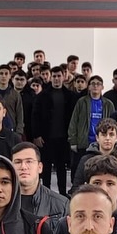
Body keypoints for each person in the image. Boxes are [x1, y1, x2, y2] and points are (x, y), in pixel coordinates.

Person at [29, 64, 77, 194]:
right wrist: (36, 135)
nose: (56, 78)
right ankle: (46, 192)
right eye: (54, 76)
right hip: (46, 138)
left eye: (59, 76)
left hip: (64, 138)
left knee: (61, 167)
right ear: (50, 77)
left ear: (63, 77)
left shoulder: (70, 96)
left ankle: (62, 193)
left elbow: (74, 118)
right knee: (46, 166)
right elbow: (35, 116)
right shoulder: (42, 96)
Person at [10, 140, 69, 225]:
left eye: (29, 161)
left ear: (40, 167)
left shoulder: (61, 204)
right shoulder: (1, 203)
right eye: (18, 162)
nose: (23, 167)